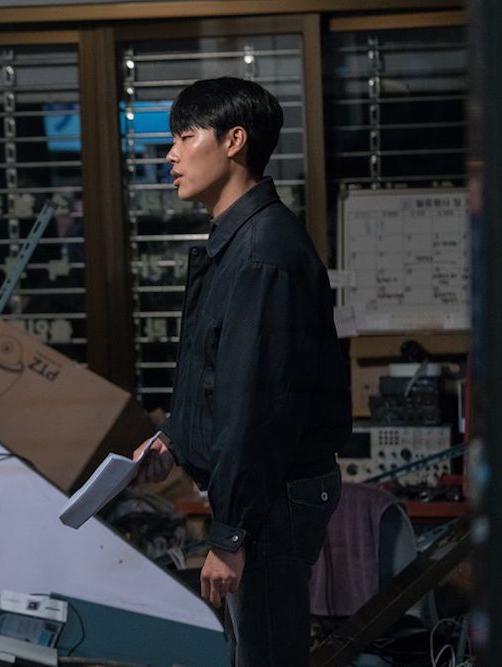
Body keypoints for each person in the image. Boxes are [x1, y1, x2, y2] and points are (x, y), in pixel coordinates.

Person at [132, 77, 350, 665]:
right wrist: (175, 438)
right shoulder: (239, 241)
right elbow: (218, 375)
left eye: (185, 137)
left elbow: (257, 407)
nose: (170, 155)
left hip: (273, 496)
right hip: (263, 493)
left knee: (267, 654)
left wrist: (231, 536)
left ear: (234, 141)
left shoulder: (261, 252)